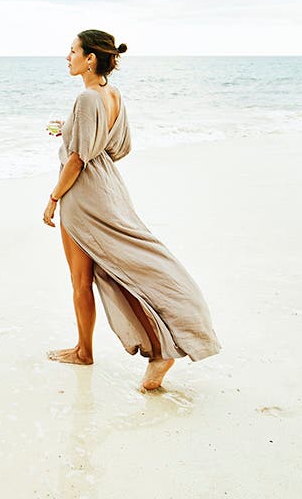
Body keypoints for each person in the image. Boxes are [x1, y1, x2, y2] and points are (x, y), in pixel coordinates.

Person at [42, 30, 221, 391]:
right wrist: (68, 130)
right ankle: (160, 345)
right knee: (129, 266)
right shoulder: (113, 95)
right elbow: (117, 146)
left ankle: (85, 351)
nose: (67, 57)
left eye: (73, 51)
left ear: (90, 59)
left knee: (82, 281)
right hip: (110, 189)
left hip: (83, 197)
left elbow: (78, 159)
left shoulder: (86, 98)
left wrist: (53, 198)